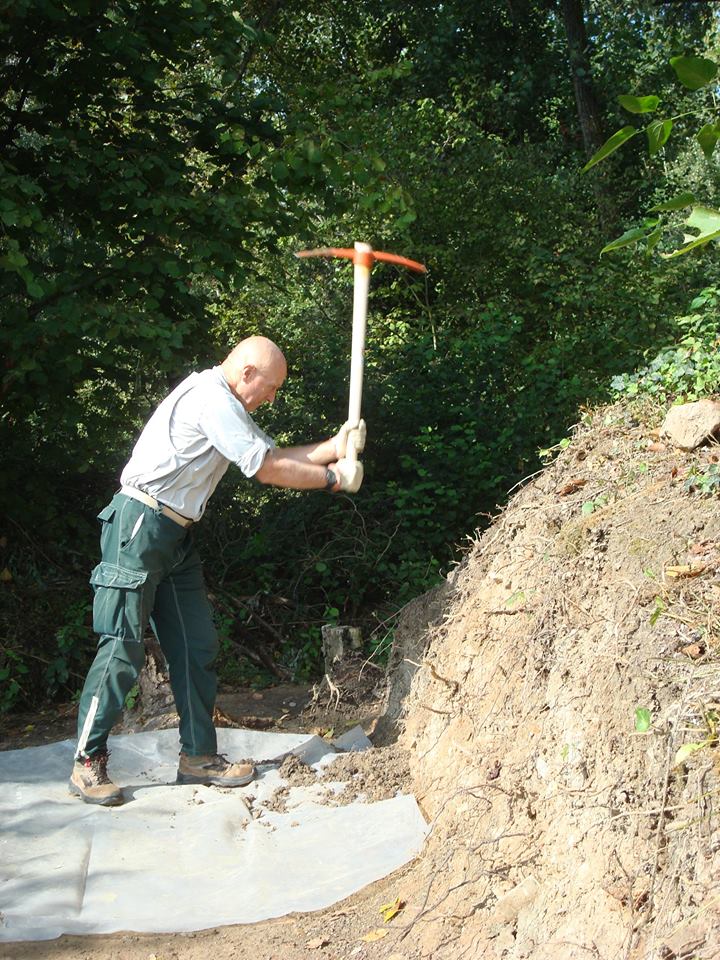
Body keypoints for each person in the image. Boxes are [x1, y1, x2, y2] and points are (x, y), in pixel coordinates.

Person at [69, 335, 365, 806]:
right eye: (270, 388)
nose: (272, 398)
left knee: (196, 645)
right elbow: (266, 470)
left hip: (177, 534)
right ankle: (88, 761)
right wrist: (333, 480)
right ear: (247, 373)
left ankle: (198, 757)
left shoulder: (228, 404)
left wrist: (336, 446)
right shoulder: (211, 399)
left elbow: (278, 457)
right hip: (140, 525)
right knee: (122, 647)